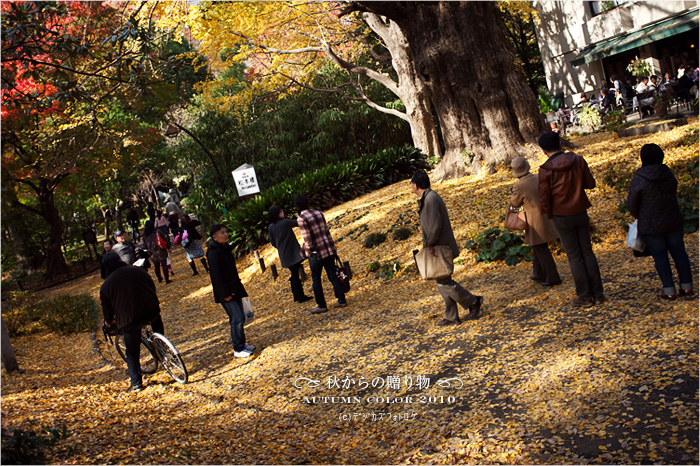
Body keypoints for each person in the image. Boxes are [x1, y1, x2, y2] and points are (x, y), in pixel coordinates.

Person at [538, 131, 605, 307]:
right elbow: (590, 184)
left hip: (561, 216)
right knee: (587, 252)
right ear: (560, 144)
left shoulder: (545, 170)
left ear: (543, 151)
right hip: (580, 211)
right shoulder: (578, 160)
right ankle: (598, 294)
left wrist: (550, 215)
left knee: (574, 257)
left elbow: (544, 198)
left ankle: (584, 296)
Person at [410, 172, 482, 325]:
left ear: (415, 185)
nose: (411, 187)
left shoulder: (431, 198)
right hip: (436, 246)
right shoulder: (428, 198)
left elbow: (436, 225)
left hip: (438, 246)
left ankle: (473, 301)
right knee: (442, 281)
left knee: (444, 282)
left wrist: (430, 243)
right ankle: (451, 316)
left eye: (411, 184)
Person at [627, 143, 694, 300]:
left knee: (660, 256)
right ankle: (687, 286)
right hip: (673, 219)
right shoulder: (668, 173)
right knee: (679, 252)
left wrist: (640, 216)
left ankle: (669, 290)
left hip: (651, 225)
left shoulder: (639, 178)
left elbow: (632, 204)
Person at [100, 251, 165, 392]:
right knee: (157, 325)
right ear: (119, 259)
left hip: (128, 319)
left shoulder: (106, 286)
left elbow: (108, 312)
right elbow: (151, 285)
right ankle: (163, 349)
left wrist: (109, 322)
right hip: (151, 310)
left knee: (132, 351)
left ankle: (136, 383)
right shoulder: (137, 270)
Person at [509, 157, 561, 287]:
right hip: (546, 216)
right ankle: (539, 273)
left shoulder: (519, 186)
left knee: (541, 248)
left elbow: (515, 204)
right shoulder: (538, 178)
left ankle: (553, 277)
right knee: (537, 245)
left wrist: (511, 199)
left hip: (533, 220)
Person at [206, 224, 255, 358]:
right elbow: (216, 275)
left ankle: (242, 343)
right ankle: (237, 348)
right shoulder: (213, 252)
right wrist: (224, 293)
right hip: (225, 291)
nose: (226, 234)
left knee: (241, 316)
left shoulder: (226, 249)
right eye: (222, 233)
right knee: (236, 318)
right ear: (214, 237)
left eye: (226, 232)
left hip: (234, 287)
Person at [294, 194, 347, 314]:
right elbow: (326, 231)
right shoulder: (319, 213)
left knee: (316, 279)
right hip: (327, 248)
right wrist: (332, 247)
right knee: (333, 275)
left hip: (316, 253)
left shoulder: (301, 218)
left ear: (297, 206)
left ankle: (321, 305)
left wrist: (306, 253)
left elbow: (308, 239)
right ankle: (341, 300)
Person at [268, 205, 313, 303]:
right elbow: (298, 223)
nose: (283, 213)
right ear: (277, 214)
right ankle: (300, 296)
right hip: (292, 252)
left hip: (283, 254)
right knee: (295, 274)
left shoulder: (271, 227)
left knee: (294, 273)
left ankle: (296, 296)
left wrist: (280, 247)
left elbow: (273, 242)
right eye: (281, 212)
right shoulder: (285, 222)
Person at [142, 220, 172, 284]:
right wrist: (168, 247)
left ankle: (159, 279)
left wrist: (147, 255)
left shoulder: (145, 236)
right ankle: (167, 279)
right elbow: (164, 239)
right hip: (160, 250)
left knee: (156, 266)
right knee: (164, 265)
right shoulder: (157, 232)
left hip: (152, 253)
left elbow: (144, 246)